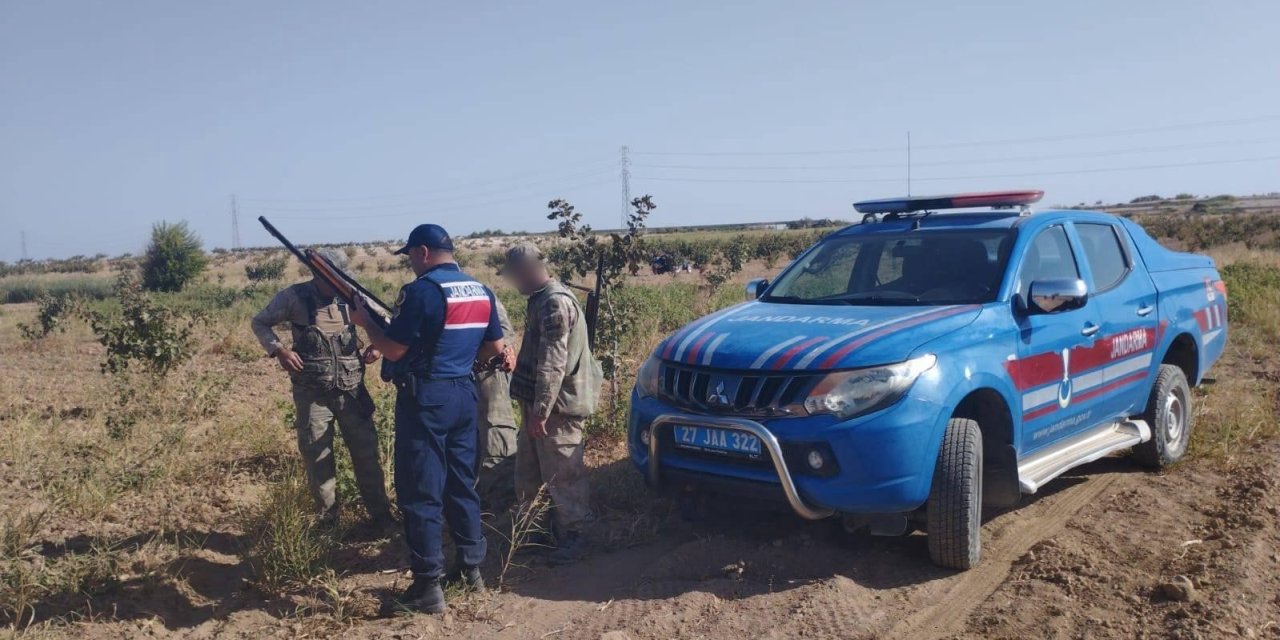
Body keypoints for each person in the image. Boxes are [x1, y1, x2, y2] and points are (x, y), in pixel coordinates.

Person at [351, 224, 509, 615]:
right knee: (461, 483)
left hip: (426, 399)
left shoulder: (420, 291)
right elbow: (493, 347)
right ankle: (471, 570)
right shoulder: (480, 290)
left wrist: (365, 321)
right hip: (463, 394)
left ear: (422, 252)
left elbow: (393, 347)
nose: (409, 264)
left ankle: (427, 587)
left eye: (409, 256)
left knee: (420, 491)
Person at [249, 248, 395, 531]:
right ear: (320, 274)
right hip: (312, 395)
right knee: (317, 458)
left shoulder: (354, 297)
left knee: (366, 455)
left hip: (353, 393)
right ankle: (328, 524)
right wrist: (279, 351)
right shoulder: (294, 297)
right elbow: (260, 322)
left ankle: (381, 518)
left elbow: (386, 324)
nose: (341, 283)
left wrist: (377, 346)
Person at [500, 243, 603, 566]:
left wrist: (541, 410)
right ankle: (536, 534)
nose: (514, 283)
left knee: (564, 476)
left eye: (514, 275)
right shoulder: (543, 300)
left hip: (557, 409)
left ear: (527, 270)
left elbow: (552, 364)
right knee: (528, 473)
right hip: (541, 406)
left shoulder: (554, 304)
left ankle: (578, 536)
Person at [474, 298, 519, 511]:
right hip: (457, 380)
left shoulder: (481, 295)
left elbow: (504, 333)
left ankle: (503, 501)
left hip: (488, 373)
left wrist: (478, 355)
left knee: (497, 436)